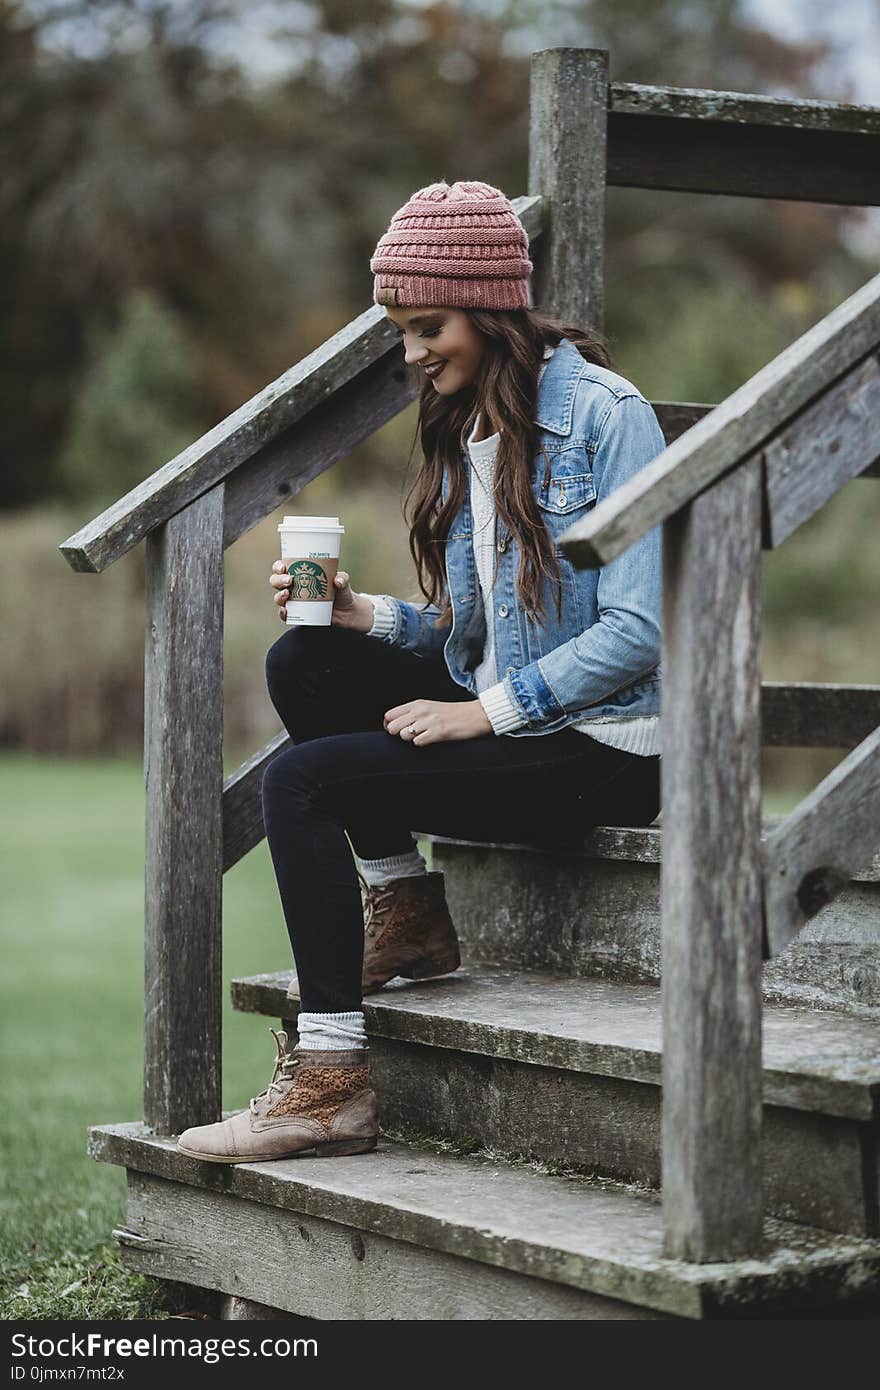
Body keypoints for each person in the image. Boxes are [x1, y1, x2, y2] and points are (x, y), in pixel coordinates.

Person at [177, 179, 665, 1165]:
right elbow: (466, 631)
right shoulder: (469, 425)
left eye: (426, 325)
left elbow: (640, 632)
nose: (410, 352)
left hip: (607, 748)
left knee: (299, 780)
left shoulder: (608, 416)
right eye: (401, 328)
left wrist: (483, 713)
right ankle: (406, 904)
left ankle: (328, 1081)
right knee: (306, 660)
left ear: (491, 310)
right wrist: (369, 616)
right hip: (516, 720)